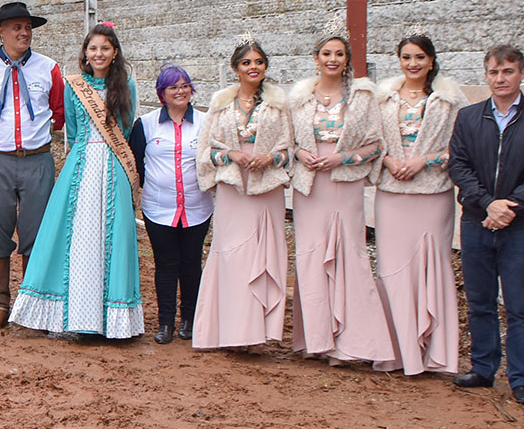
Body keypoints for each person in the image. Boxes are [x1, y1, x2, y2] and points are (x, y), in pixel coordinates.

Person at [9, 22, 142, 337]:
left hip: (113, 165)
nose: (98, 54)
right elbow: (73, 127)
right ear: (86, 52)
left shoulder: (128, 86)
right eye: (93, 48)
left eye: (105, 48)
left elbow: (124, 130)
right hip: (80, 166)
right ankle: (79, 317)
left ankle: (111, 321)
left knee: (112, 238)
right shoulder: (73, 86)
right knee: (77, 238)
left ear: (115, 53)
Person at [449, 44, 524, 407]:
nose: (500, 79)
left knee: (520, 306)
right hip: (477, 222)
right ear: (486, 75)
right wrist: (487, 203)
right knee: (480, 301)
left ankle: (523, 378)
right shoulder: (468, 118)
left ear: (521, 74)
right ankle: (483, 368)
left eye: (508, 71)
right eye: (494, 72)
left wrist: (509, 207)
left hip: (519, 227)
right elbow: (459, 167)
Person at [288, 32, 394, 364]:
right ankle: (316, 340)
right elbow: (286, 140)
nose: (332, 59)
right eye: (325, 53)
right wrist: (300, 153)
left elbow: (377, 145)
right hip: (310, 188)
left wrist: (343, 158)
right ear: (316, 58)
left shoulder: (363, 96)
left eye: (338, 54)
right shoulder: (300, 98)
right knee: (311, 257)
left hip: (345, 183)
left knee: (350, 255)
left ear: (347, 59)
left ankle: (354, 344)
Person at [0, 0, 65, 328]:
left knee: (38, 230)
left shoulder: (49, 68)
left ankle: (33, 303)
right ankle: (0, 303)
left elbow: (59, 114)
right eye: (17, 27)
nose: (24, 32)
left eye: (27, 27)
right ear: (1, 32)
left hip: (37, 161)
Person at [374, 34, 467, 376]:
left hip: (432, 193)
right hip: (392, 193)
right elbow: (369, 141)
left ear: (431, 61)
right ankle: (396, 351)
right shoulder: (382, 99)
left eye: (420, 57)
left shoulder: (450, 100)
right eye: (407, 57)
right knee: (393, 270)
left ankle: (435, 353)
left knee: (432, 268)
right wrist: (387, 161)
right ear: (398, 59)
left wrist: (424, 160)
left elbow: (462, 146)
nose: (413, 63)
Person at [192, 39, 292, 351]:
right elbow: (205, 150)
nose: (253, 67)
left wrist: (271, 159)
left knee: (261, 258)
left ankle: (257, 334)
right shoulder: (220, 105)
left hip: (266, 189)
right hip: (233, 189)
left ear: (265, 67)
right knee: (232, 256)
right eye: (246, 62)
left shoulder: (278, 106)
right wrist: (232, 156)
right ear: (236, 68)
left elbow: (291, 150)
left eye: (258, 62)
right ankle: (229, 331)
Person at [130, 65, 213, 344]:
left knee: (191, 263)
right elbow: (136, 161)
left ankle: (189, 320)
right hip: (158, 208)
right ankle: (165, 322)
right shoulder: (146, 124)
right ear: (161, 93)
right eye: (172, 87)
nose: (180, 91)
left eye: (185, 85)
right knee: (166, 264)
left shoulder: (206, 122)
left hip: (197, 207)